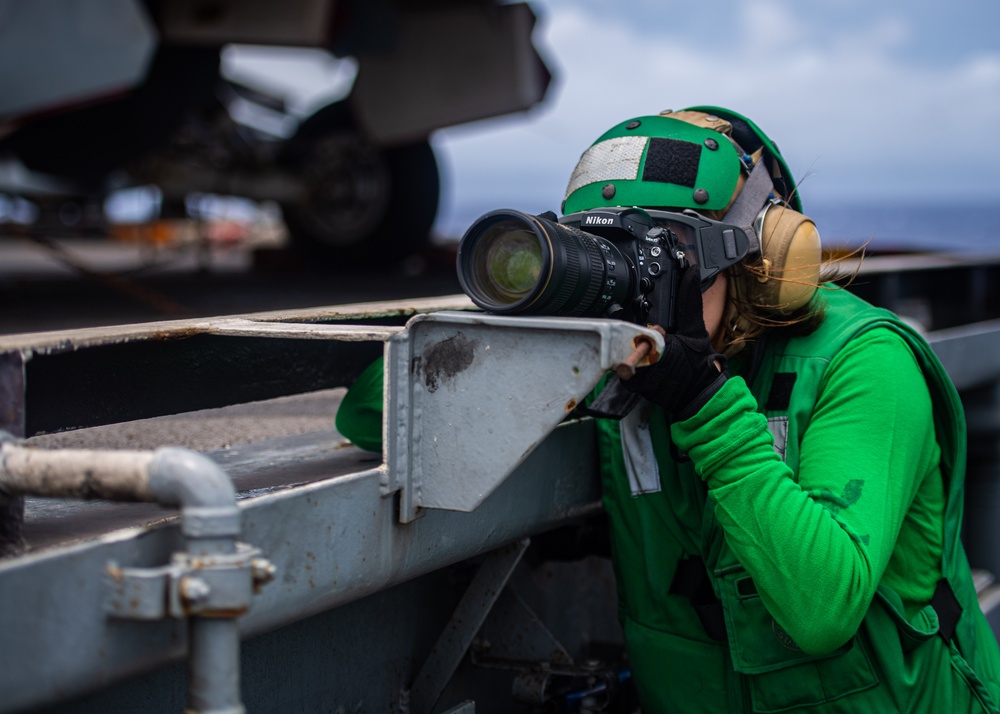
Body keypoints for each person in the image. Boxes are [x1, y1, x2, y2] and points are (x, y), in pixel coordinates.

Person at [338, 107, 1000, 712]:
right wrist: (532, 315)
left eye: (666, 256)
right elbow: (373, 415)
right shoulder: (614, 360)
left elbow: (822, 607)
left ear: (760, 259)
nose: (636, 292)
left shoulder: (863, 362)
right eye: (614, 258)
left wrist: (701, 397)